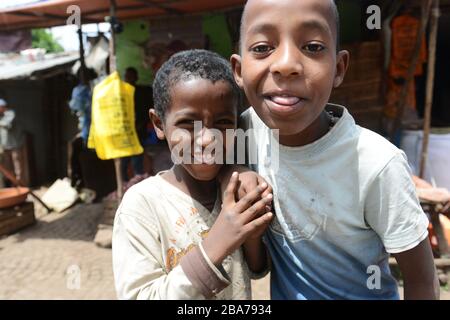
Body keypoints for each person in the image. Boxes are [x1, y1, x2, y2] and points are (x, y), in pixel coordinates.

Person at [226, 0, 439, 299]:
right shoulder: (242, 132)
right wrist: (238, 170)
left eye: (312, 47)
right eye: (262, 47)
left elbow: (421, 280)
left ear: (339, 68)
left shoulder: (376, 164)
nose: (286, 64)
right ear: (238, 69)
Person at [112, 50, 273, 299]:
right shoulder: (142, 205)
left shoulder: (239, 190)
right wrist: (217, 243)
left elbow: (255, 269)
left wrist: (250, 235)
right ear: (158, 124)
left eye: (222, 123)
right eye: (188, 124)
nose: (208, 139)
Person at [120, 67, 147, 181]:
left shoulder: (141, 92)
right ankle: (124, 183)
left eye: (131, 76)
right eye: (127, 76)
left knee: (137, 160)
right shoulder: (121, 92)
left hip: (138, 130)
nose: (129, 78)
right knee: (123, 161)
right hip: (125, 131)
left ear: (136, 77)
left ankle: (137, 181)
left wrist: (140, 124)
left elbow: (144, 110)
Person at [0, 98, 26, 186]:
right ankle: (12, 187)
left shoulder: (10, 114)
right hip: (5, 147)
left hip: (15, 146)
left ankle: (21, 186)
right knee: (8, 168)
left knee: (18, 168)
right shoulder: (1, 116)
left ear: (3, 107)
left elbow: (7, 125)